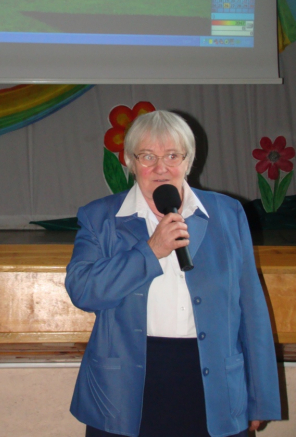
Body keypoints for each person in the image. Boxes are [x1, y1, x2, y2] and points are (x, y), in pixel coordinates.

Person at [65, 110, 281, 437]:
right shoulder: (100, 217)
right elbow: (83, 291)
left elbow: (251, 310)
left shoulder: (227, 213)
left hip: (216, 388)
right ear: (130, 161)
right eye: (147, 156)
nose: (161, 168)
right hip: (125, 392)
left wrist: (260, 398)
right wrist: (150, 251)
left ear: (188, 161)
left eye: (172, 156)